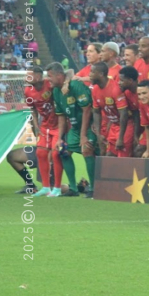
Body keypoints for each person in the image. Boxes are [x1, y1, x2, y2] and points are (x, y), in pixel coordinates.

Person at [49, 62, 97, 197]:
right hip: (75, 128)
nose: (48, 79)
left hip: (88, 127)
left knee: (87, 150)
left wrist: (83, 135)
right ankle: (74, 189)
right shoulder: (57, 91)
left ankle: (93, 188)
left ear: (59, 76)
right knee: (63, 151)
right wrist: (59, 139)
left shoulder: (76, 86)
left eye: (50, 76)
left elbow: (87, 110)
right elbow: (62, 116)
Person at [25, 66, 63, 197]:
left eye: (30, 75)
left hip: (58, 124)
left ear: (39, 76)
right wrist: (36, 126)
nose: (27, 78)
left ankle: (57, 188)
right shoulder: (28, 91)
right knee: (40, 153)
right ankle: (46, 187)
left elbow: (68, 73)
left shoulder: (49, 84)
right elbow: (33, 110)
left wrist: (67, 83)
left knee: (56, 154)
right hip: (45, 126)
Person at [90, 62, 135, 159]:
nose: (90, 75)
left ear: (101, 74)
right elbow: (96, 112)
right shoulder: (95, 90)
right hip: (114, 126)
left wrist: (121, 137)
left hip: (125, 126)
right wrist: (98, 134)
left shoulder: (115, 89)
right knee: (109, 156)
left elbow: (124, 114)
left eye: (92, 72)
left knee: (122, 159)